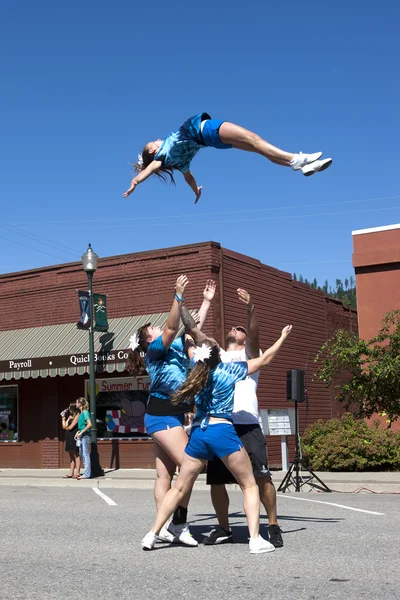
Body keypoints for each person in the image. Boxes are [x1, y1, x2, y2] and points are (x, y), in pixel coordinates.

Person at [141, 324, 292, 554]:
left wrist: (188, 322)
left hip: (199, 433)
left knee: (179, 487)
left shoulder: (195, 369)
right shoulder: (228, 370)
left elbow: (190, 343)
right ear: (218, 355)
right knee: (249, 484)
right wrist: (281, 337)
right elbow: (265, 359)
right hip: (222, 430)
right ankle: (254, 540)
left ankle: (152, 534)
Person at [126, 276, 215, 547]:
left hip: (172, 414)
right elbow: (172, 325)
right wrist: (177, 296)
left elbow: (191, 323)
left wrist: (206, 302)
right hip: (162, 414)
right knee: (191, 465)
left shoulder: (175, 348)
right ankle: (178, 522)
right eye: (153, 328)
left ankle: (163, 524)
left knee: (164, 474)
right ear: (148, 339)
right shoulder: (154, 351)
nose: (158, 329)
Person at [204, 289, 283, 548]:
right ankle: (225, 527)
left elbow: (255, 333)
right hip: (221, 424)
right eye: (234, 327)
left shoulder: (250, 353)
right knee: (216, 480)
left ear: (246, 337)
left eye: (241, 328)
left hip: (249, 426)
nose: (236, 328)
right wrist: (205, 303)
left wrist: (250, 310)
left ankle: (272, 524)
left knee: (262, 479)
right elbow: (197, 335)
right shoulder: (217, 355)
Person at [123, 113, 332, 204]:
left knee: (258, 148)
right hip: (207, 131)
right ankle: (297, 158)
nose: (158, 139)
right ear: (152, 152)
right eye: (153, 142)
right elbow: (147, 172)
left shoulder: (177, 162)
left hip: (212, 142)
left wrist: (196, 191)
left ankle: (297, 165)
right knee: (254, 139)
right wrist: (135, 182)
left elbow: (189, 178)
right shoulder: (162, 156)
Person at [61, 403, 81, 478]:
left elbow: (71, 427)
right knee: (71, 455)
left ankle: (77, 472)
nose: (68, 409)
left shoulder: (77, 415)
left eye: (69, 407)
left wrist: (67, 427)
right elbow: (64, 426)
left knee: (76, 454)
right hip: (68, 436)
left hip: (74, 436)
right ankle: (70, 472)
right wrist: (63, 417)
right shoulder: (70, 416)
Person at [74, 397, 92, 480]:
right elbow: (82, 426)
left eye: (77, 403)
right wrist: (78, 433)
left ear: (80, 403)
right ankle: (86, 473)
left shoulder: (85, 412)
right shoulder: (81, 413)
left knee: (85, 454)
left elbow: (89, 424)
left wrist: (81, 432)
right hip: (82, 435)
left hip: (85, 436)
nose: (76, 404)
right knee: (82, 454)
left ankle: (87, 474)